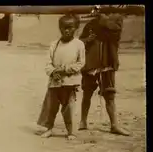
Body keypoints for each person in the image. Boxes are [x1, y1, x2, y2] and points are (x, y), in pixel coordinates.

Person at [78, 8, 130, 136]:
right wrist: (87, 40)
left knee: (109, 95)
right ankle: (83, 121)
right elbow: (80, 42)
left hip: (108, 64)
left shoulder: (115, 24)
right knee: (87, 93)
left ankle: (114, 125)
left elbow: (115, 31)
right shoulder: (90, 25)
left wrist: (103, 19)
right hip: (90, 65)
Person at [37, 13, 85, 140]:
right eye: (64, 27)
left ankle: (71, 131)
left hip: (70, 81)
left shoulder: (79, 44)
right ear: (60, 28)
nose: (67, 30)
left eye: (70, 27)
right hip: (55, 81)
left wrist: (65, 70)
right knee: (51, 106)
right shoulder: (54, 44)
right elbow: (48, 62)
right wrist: (53, 72)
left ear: (76, 28)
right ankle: (49, 128)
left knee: (69, 107)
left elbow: (80, 63)